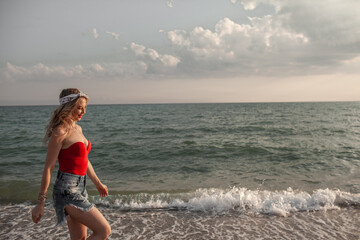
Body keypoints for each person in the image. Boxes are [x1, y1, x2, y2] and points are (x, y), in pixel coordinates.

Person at [31, 88, 111, 240]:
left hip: (81, 188)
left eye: (85, 108)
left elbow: (84, 160)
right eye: (79, 107)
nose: (83, 112)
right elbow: (48, 168)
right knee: (103, 230)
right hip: (66, 191)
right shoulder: (60, 132)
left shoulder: (78, 128)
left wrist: (98, 183)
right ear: (68, 106)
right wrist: (40, 202)